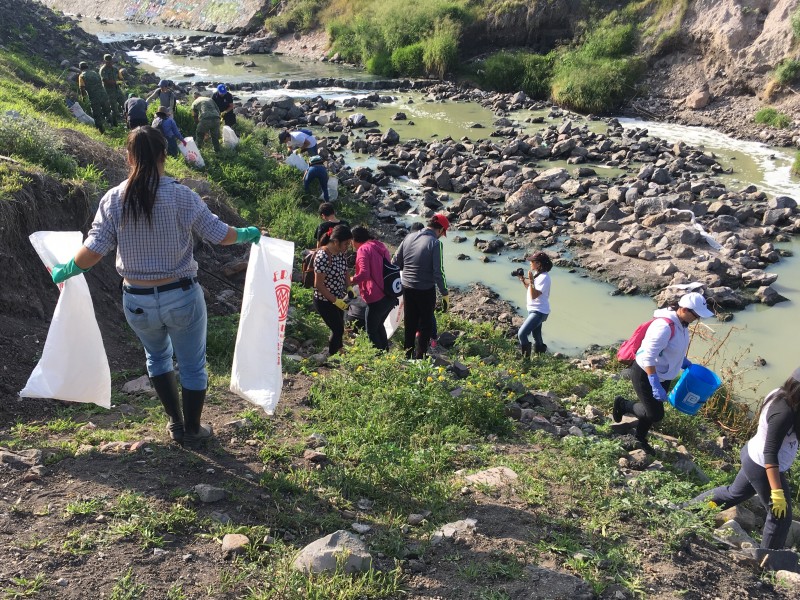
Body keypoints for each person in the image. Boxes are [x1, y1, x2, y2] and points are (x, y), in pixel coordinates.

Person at [49, 126, 262, 447]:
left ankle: (175, 423)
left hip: (137, 301)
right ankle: (193, 430)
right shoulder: (181, 195)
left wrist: (66, 269)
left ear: (129, 157)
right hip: (182, 296)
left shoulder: (113, 199)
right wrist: (247, 233)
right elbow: (220, 234)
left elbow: (93, 250)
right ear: (165, 155)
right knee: (192, 365)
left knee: (157, 359)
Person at [688, 368, 800, 549]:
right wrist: (777, 493)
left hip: (752, 454)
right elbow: (770, 453)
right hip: (763, 465)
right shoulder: (783, 412)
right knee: (780, 517)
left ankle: (688, 510)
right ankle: (767, 562)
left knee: (734, 493)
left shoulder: (781, 394)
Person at [612, 292, 714, 454]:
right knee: (655, 414)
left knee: (651, 411)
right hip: (645, 373)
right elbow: (647, 356)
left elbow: (672, 349)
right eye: (696, 315)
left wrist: (684, 362)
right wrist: (653, 382)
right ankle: (623, 404)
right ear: (685, 309)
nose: (697, 319)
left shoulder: (682, 324)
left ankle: (640, 438)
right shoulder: (664, 327)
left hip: (663, 374)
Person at [393, 214, 450, 359]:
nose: (441, 237)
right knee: (426, 324)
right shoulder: (435, 243)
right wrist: (445, 294)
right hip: (425, 290)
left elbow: (395, 262)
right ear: (440, 230)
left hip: (407, 287)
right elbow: (438, 272)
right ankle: (420, 357)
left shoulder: (409, 237)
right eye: (442, 234)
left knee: (410, 321)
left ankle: (407, 354)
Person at [351, 226, 396, 351]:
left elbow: (364, 273)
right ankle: (385, 353)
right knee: (378, 325)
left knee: (370, 330)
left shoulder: (363, 250)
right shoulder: (379, 246)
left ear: (355, 240)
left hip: (375, 297)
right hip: (389, 293)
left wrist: (351, 280)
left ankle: (378, 359)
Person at [313, 225, 353, 356]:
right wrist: (335, 301)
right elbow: (318, 284)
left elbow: (345, 271)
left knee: (338, 325)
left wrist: (349, 287)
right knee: (338, 329)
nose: (347, 246)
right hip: (324, 300)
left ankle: (340, 350)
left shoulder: (340, 254)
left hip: (338, 298)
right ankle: (332, 356)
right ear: (336, 242)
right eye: (346, 243)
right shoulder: (323, 256)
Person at [516, 251, 553, 358]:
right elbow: (530, 289)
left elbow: (534, 295)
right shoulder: (539, 275)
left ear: (538, 264)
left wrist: (531, 281)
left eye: (532, 261)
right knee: (536, 335)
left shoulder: (544, 277)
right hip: (534, 310)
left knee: (522, 334)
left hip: (539, 311)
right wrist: (523, 280)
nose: (530, 263)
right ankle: (540, 356)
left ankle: (526, 360)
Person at [78, 61, 112, 132]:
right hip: (103, 95)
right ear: (87, 67)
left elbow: (82, 88)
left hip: (94, 98)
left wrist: (84, 98)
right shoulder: (95, 73)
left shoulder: (81, 76)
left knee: (97, 115)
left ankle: (101, 131)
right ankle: (112, 126)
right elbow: (101, 83)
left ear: (80, 68)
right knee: (107, 111)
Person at [99, 53, 124, 126]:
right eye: (108, 61)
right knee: (113, 107)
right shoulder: (103, 70)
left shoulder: (115, 69)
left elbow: (121, 78)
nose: (110, 63)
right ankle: (116, 124)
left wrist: (121, 81)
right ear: (105, 61)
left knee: (124, 103)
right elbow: (105, 81)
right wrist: (116, 82)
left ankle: (125, 118)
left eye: (110, 61)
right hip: (109, 91)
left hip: (117, 90)